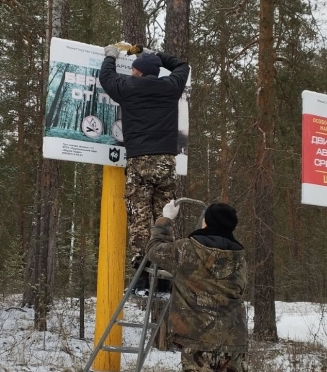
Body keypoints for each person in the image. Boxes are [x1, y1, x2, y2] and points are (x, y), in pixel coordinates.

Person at [99, 44, 190, 293]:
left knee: (139, 219)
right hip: (166, 163)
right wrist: (158, 56)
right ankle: (162, 279)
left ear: (137, 72)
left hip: (140, 160)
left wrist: (111, 56)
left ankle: (140, 277)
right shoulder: (171, 87)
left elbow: (106, 77)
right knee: (164, 217)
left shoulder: (129, 88)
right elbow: (183, 66)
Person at [146, 201, 248, 372]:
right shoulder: (239, 258)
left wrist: (166, 219)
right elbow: (240, 289)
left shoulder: (187, 249)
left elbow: (154, 249)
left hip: (197, 338)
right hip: (233, 339)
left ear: (206, 222)